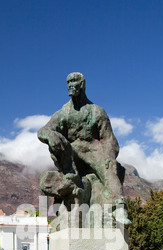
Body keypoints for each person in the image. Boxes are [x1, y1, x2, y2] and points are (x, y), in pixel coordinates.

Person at [38, 72, 130, 225]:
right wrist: (51, 136)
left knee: (110, 168)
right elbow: (43, 131)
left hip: (94, 151)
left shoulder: (97, 111)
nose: (70, 85)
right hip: (72, 154)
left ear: (82, 85)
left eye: (73, 81)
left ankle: (119, 208)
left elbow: (108, 139)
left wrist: (108, 156)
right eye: (68, 82)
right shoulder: (63, 113)